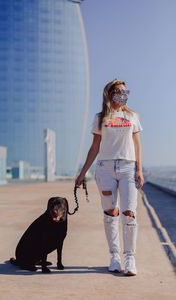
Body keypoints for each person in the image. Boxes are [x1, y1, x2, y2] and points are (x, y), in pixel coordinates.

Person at [75, 78, 144, 276]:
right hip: (105, 168)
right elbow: (94, 147)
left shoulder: (132, 116)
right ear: (110, 94)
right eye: (118, 91)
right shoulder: (100, 118)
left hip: (128, 167)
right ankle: (114, 257)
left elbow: (137, 144)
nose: (122, 94)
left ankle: (130, 258)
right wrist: (82, 173)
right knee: (110, 213)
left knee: (129, 212)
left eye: (124, 91)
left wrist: (139, 169)